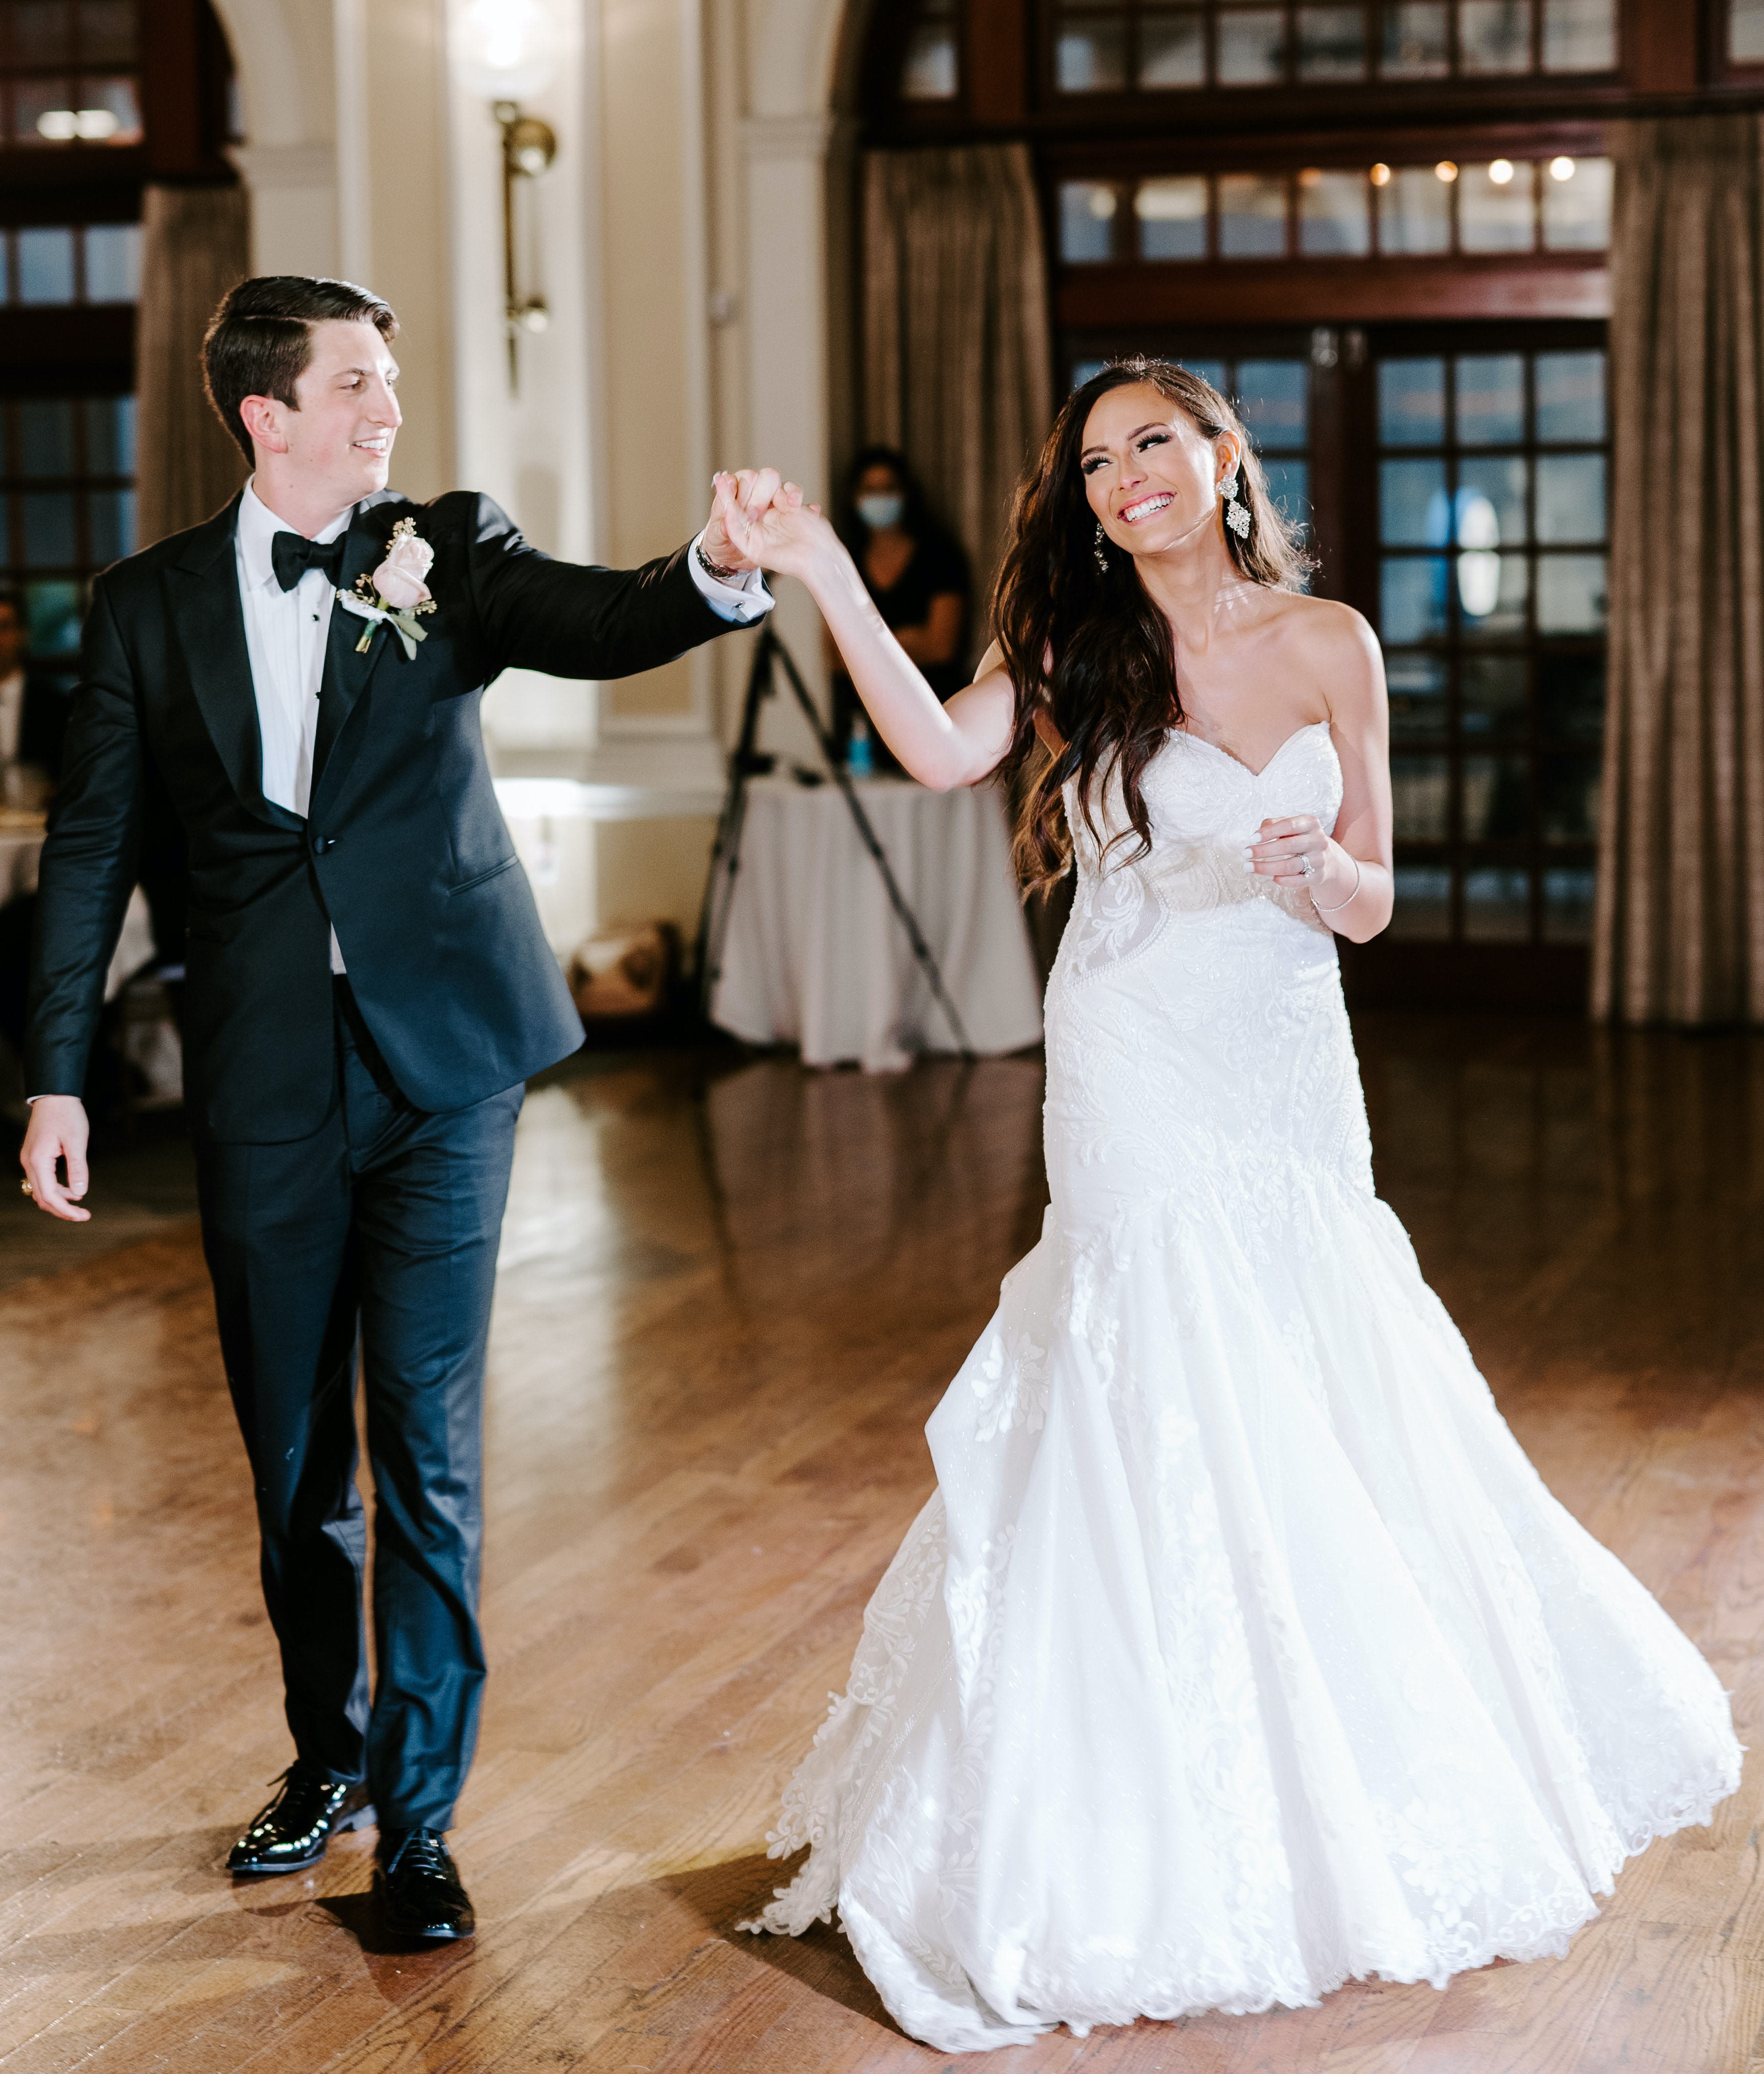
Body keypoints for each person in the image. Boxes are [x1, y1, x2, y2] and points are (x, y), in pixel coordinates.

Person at [720, 358, 1742, 2051]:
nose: (1125, 479)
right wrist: (820, 568)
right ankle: (1119, 1774)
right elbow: (926, 753)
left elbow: (1373, 898)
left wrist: (1317, 873)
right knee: (1140, 1345)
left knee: (1306, 1347)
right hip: (1126, 1051)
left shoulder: (1328, 643)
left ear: (1218, 458)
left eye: (1152, 445)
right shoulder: (1064, 651)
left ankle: (1338, 1740)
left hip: (1278, 1065)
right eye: (1097, 462)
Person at [17, 275, 788, 1945]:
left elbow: (598, 619)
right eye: (355, 384)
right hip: (263, 1076)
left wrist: (715, 570)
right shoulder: (145, 607)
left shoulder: (441, 546)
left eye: (390, 380)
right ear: (264, 412)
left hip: (447, 1063)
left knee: (424, 1446)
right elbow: (91, 849)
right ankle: (330, 1758)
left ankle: (420, 1827)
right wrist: (55, 1074)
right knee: (296, 1459)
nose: (385, 410)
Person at [827, 446, 969, 778]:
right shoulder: (847, 560)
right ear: (854, 497)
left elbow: (940, 645)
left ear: (905, 493)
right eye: (869, 490)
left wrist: (864, 644)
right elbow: (835, 654)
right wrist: (906, 638)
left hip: (933, 715)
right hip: (862, 726)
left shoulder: (939, 556)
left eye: (888, 488)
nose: (879, 498)